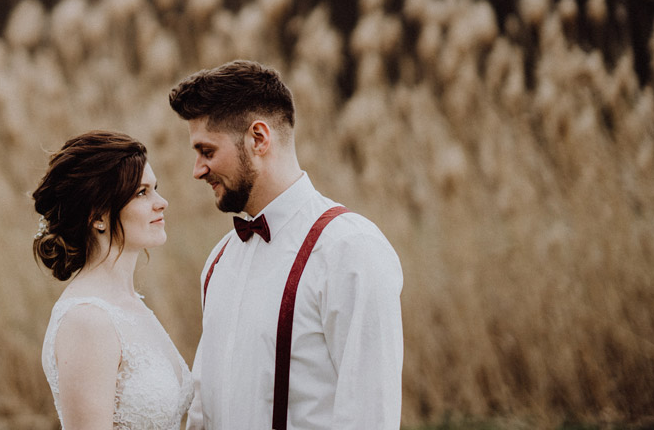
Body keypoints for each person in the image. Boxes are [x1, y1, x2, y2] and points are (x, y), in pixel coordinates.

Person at [168, 60, 403, 430]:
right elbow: (204, 406)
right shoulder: (219, 260)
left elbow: (369, 412)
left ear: (258, 139)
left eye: (207, 151)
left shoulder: (350, 249)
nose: (196, 169)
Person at [33, 130, 194, 430]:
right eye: (142, 193)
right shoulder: (87, 320)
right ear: (99, 216)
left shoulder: (131, 305)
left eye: (155, 188)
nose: (162, 203)